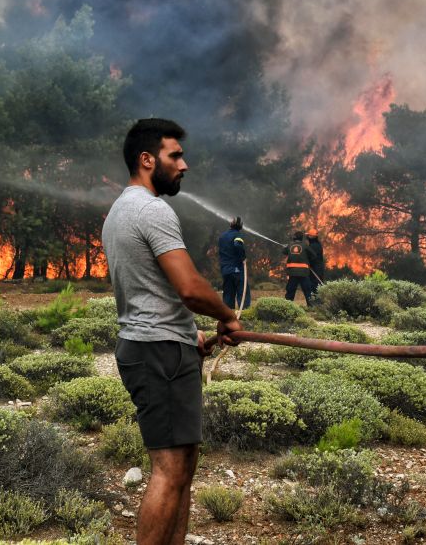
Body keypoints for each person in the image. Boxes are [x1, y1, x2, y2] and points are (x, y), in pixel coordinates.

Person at [102, 118, 242, 545]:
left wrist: (189, 335)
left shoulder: (119, 211)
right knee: (168, 471)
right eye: (175, 156)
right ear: (148, 160)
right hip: (158, 353)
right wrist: (226, 317)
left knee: (182, 468)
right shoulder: (151, 209)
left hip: (163, 347)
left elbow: (150, 291)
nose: (184, 165)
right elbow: (189, 287)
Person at [218, 216, 251, 310]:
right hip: (236, 268)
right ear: (240, 226)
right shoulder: (237, 235)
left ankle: (228, 313)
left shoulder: (222, 236)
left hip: (225, 269)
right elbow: (237, 245)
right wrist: (243, 258)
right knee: (242, 291)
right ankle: (244, 313)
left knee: (228, 292)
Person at [283, 231, 314, 305]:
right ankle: (311, 306)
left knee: (290, 290)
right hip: (303, 273)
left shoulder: (289, 245)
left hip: (292, 273)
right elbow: (313, 255)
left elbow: (284, 252)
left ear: (294, 237)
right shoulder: (305, 245)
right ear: (302, 238)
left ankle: (288, 305)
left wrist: (286, 246)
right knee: (307, 290)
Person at [306, 229, 325, 297]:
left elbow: (312, 257)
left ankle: (316, 302)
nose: (307, 237)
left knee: (315, 286)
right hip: (317, 268)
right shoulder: (316, 244)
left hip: (315, 269)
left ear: (311, 237)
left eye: (308, 236)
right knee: (316, 286)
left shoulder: (313, 246)